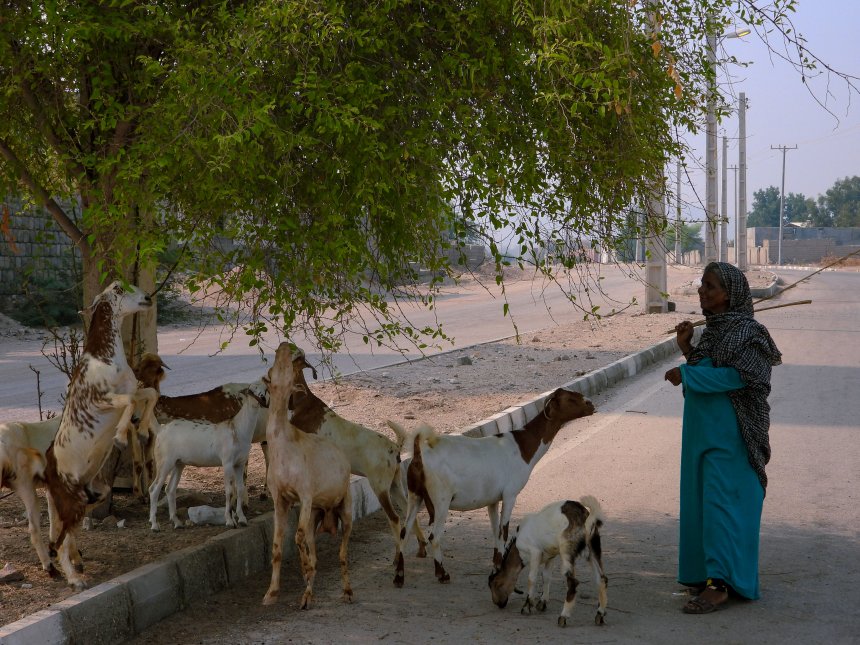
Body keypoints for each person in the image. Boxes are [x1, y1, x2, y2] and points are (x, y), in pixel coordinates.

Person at [664, 261, 782, 614]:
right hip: (700, 432)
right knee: (700, 503)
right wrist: (687, 349)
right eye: (702, 284)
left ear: (730, 294)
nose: (702, 291)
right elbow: (708, 367)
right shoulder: (712, 331)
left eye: (710, 286)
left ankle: (721, 585)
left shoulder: (750, 332)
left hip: (731, 434)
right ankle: (704, 575)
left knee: (721, 506)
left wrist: (687, 374)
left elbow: (744, 378)